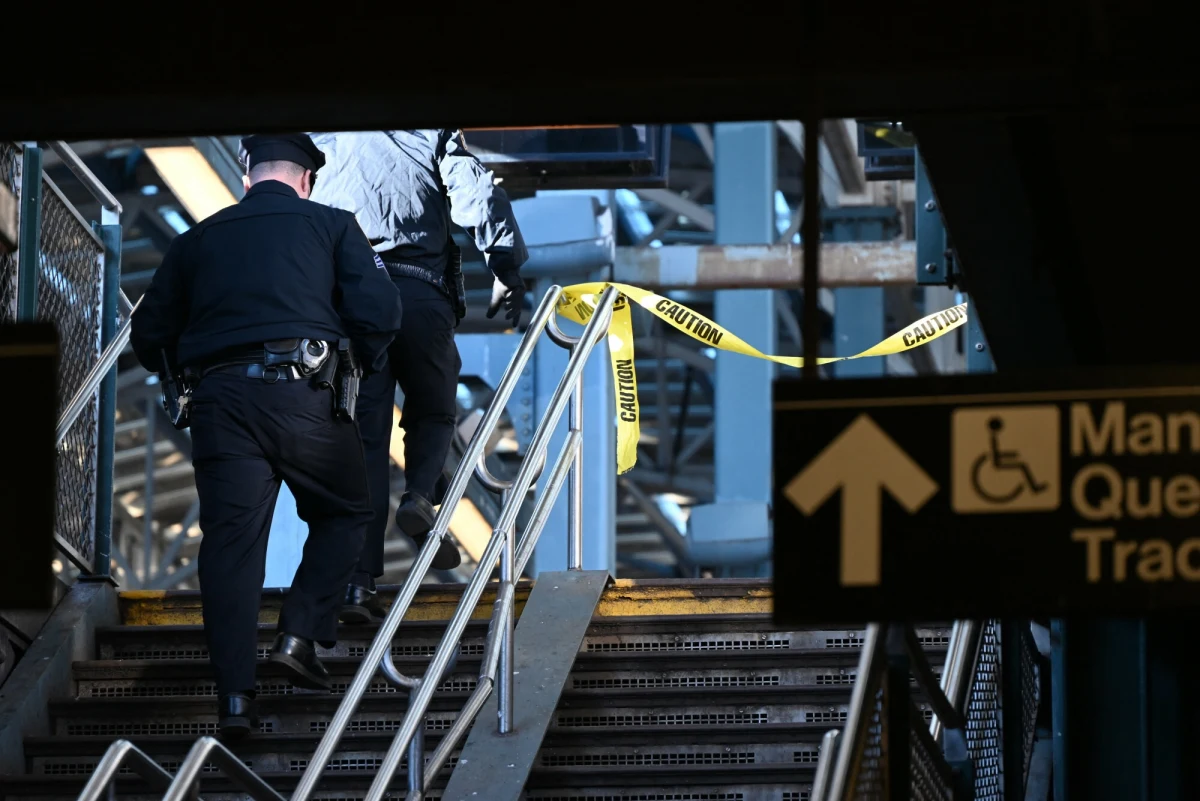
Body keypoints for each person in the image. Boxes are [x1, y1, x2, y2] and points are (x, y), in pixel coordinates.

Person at [129, 133, 404, 739]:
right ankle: (298, 634)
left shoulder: (196, 239)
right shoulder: (333, 226)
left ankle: (233, 700)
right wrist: (354, 361)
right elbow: (381, 312)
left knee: (230, 547)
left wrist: (192, 367)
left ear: (247, 173)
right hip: (304, 393)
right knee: (346, 512)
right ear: (307, 178)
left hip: (219, 404)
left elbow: (148, 335)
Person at [306, 130, 529, 623]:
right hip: (421, 294)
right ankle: (421, 492)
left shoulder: (321, 135)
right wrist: (505, 265)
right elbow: (476, 191)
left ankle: (358, 584)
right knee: (432, 407)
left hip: (354, 302)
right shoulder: (429, 131)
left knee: (362, 440)